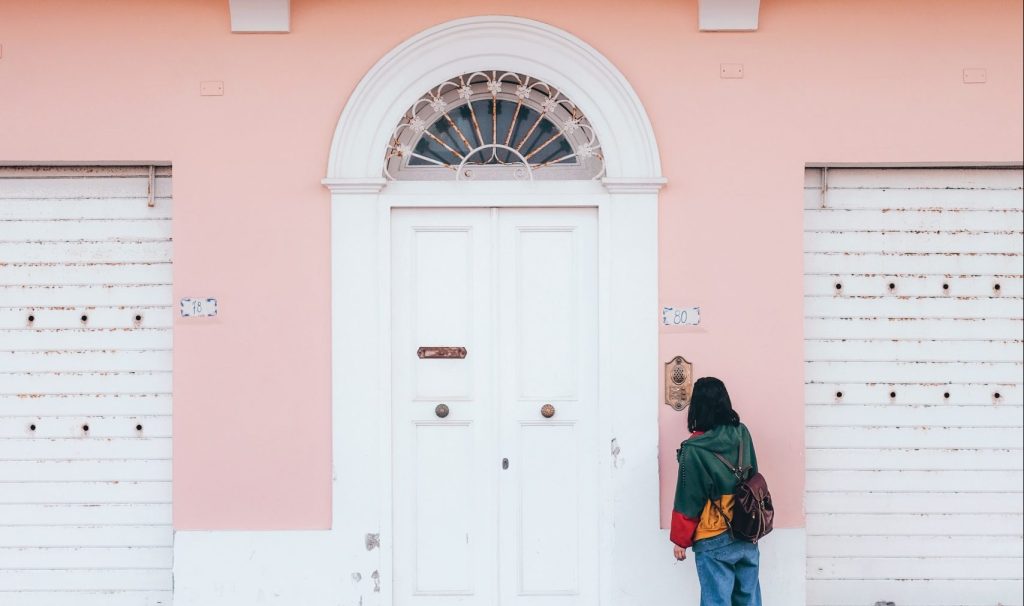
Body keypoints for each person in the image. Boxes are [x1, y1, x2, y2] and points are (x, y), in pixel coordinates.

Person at [670, 376, 761, 606]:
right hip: (746, 530)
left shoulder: (693, 449)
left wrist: (681, 540)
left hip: (713, 537)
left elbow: (688, 498)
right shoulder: (742, 433)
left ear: (697, 407)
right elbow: (753, 477)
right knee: (749, 600)